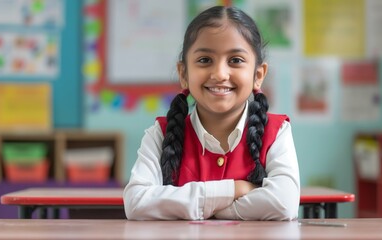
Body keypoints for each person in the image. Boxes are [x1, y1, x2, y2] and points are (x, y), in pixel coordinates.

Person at [123, 5, 300, 221]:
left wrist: (212, 211)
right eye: (205, 60)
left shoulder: (277, 132)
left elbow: (283, 203)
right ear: (183, 73)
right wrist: (233, 190)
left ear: (258, 75)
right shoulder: (159, 134)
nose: (219, 74)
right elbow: (136, 202)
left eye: (235, 60)